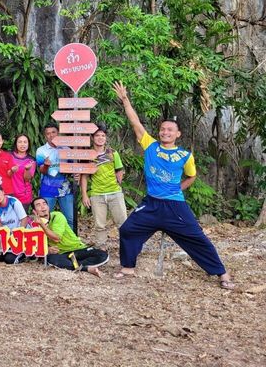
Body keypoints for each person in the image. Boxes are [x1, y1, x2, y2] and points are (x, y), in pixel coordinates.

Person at [112, 81, 235, 289]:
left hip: (174, 207)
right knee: (128, 230)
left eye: (170, 130)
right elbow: (135, 123)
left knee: (197, 238)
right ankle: (127, 268)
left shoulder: (185, 155)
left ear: (178, 134)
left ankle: (222, 272)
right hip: (151, 204)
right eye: (162, 129)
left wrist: (179, 188)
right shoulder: (150, 145)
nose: (165, 132)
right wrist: (125, 99)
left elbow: (191, 177)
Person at [32, 197, 108, 276]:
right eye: (38, 205)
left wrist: (42, 225)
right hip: (62, 254)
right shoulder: (33, 225)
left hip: (77, 249)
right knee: (51, 259)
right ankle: (86, 268)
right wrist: (47, 249)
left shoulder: (57, 216)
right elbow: (34, 247)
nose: (42, 207)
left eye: (44, 204)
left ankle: (73, 265)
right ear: (34, 211)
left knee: (102, 255)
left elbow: (57, 238)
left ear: (48, 207)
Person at [80, 125, 127, 248]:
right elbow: (84, 176)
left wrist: (118, 183)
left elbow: (119, 170)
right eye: (97, 135)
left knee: (123, 223)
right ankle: (102, 249)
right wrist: (84, 194)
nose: (100, 138)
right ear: (92, 137)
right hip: (97, 194)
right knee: (99, 225)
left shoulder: (112, 153)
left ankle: (127, 247)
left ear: (106, 138)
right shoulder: (88, 155)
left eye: (103, 135)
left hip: (114, 192)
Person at [35, 122, 75, 230]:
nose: (51, 135)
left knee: (70, 218)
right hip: (47, 189)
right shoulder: (41, 150)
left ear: (58, 133)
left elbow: (74, 167)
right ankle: (46, 243)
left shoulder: (67, 149)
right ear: (45, 136)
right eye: (48, 133)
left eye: (53, 132)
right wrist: (46, 166)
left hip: (65, 189)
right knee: (45, 218)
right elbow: (42, 171)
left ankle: (71, 243)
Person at [0, 184, 28, 264]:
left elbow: (24, 219)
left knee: (9, 259)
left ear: (3, 192)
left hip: (19, 234)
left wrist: (17, 236)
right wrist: (2, 242)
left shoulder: (14, 202)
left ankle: (23, 253)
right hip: (7, 236)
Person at [10, 134, 36, 211]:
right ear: (16, 143)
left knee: (22, 220)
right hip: (8, 193)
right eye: (20, 142)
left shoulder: (31, 160)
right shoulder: (8, 156)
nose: (22, 144)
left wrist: (27, 170)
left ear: (28, 144)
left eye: (25, 142)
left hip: (24, 195)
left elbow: (27, 179)